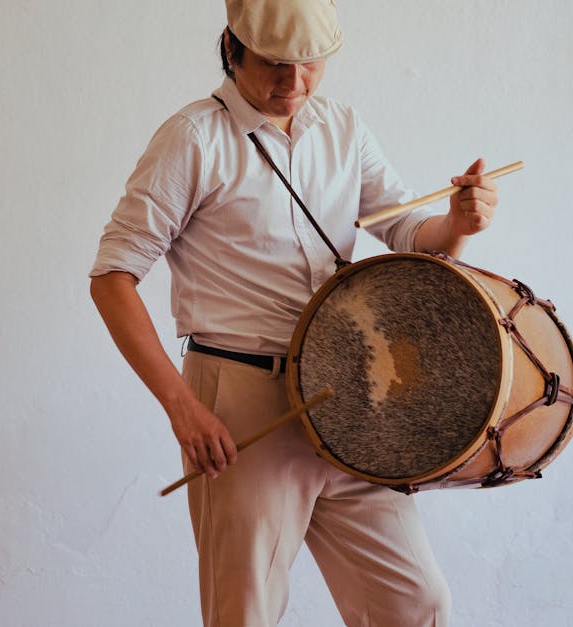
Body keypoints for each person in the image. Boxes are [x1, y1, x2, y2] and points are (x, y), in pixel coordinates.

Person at [89, 1, 499, 625]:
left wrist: (459, 223)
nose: (294, 81)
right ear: (232, 47)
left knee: (418, 603)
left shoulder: (343, 127)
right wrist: (183, 408)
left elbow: (409, 232)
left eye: (311, 63)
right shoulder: (193, 138)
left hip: (349, 400)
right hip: (240, 401)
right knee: (245, 613)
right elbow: (112, 278)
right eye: (275, 63)